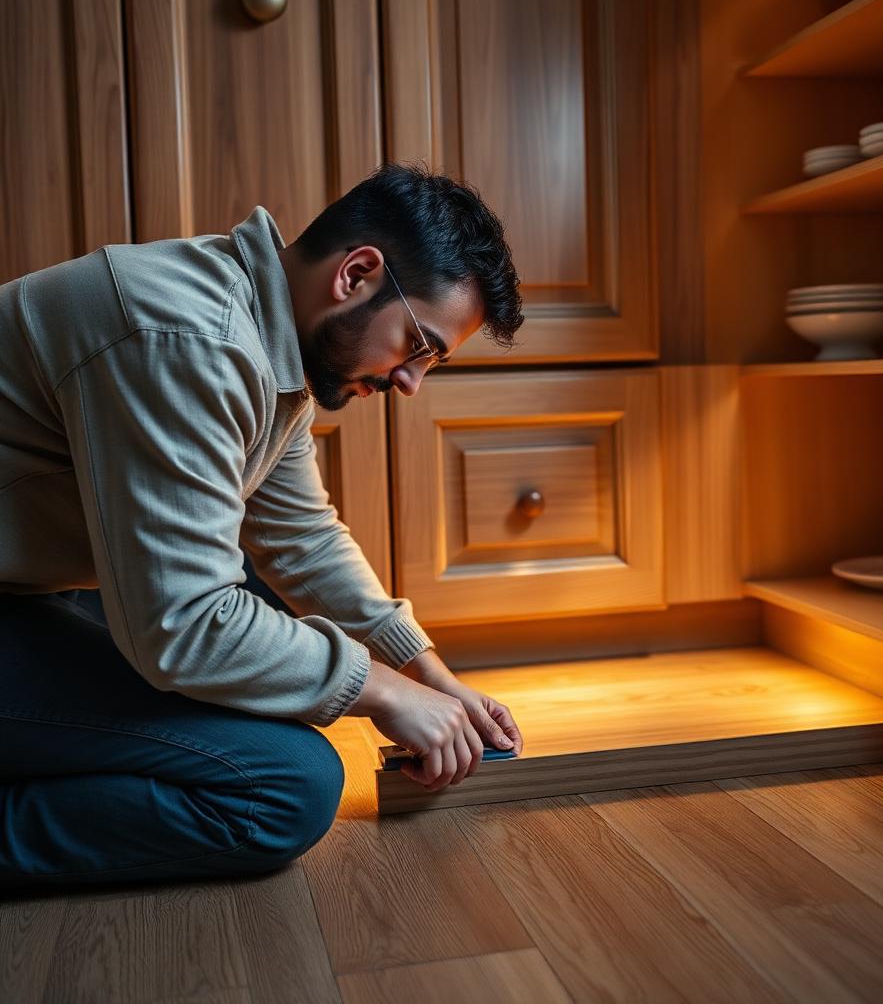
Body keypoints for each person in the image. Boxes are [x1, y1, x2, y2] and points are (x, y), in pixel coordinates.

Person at [0, 162, 526, 889]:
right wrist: (383, 691)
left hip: (25, 588)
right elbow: (182, 623)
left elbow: (300, 540)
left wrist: (428, 675)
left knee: (269, 604)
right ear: (358, 274)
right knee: (287, 781)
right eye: (419, 346)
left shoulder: (261, 332)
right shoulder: (190, 339)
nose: (410, 382)